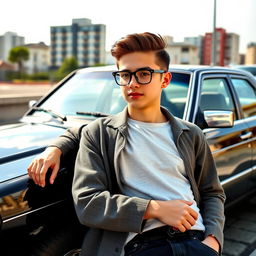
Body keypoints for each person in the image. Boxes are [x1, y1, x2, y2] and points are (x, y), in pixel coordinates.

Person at [28, 32, 225, 256]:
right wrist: (155, 209)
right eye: (125, 75)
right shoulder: (101, 133)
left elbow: (212, 193)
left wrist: (213, 240)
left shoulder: (191, 134)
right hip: (142, 245)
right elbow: (87, 203)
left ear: (165, 79)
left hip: (196, 241)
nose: (132, 83)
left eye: (144, 74)